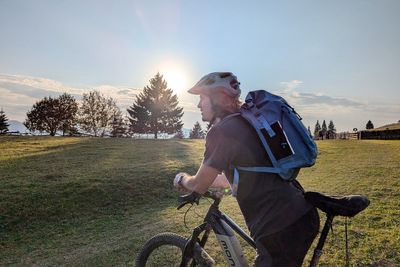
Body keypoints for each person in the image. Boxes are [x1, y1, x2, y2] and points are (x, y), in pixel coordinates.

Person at [173, 72, 320, 266]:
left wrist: (182, 179)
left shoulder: (221, 131)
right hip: (299, 212)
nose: (198, 104)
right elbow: (240, 176)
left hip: (279, 227)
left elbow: (199, 184)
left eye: (202, 97)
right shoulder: (251, 123)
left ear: (217, 98)